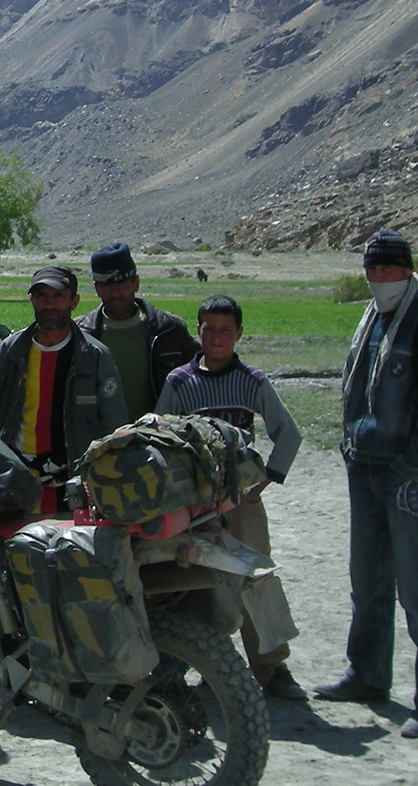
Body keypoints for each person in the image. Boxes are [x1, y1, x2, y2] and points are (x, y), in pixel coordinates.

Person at [313, 230, 418, 740]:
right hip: (365, 467)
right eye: (371, 271)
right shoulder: (374, 320)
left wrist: (413, 463)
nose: (378, 280)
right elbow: (360, 391)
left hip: (405, 476)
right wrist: (349, 442)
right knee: (368, 580)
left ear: (407, 270)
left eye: (387, 271)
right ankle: (368, 674)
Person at [154, 294, 306, 702]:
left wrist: (267, 479)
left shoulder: (254, 381)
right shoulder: (179, 383)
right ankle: (203, 664)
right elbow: (158, 435)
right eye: (208, 329)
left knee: (255, 578)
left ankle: (272, 668)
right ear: (197, 331)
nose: (217, 338)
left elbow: (287, 433)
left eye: (225, 330)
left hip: (242, 503)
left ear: (239, 334)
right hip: (195, 506)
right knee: (194, 582)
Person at [0, 266, 127, 513]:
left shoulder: (94, 358)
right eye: (41, 296)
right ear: (31, 300)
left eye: (57, 297)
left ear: (74, 302)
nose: (49, 304)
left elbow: (113, 427)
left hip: (75, 487)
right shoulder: (11, 352)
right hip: (17, 484)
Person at [77, 243, 199, 423]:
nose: (115, 292)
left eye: (122, 284)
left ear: (136, 283)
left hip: (157, 441)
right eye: (107, 285)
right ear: (96, 289)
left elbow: (203, 376)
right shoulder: (80, 335)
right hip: (99, 444)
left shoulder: (169, 330)